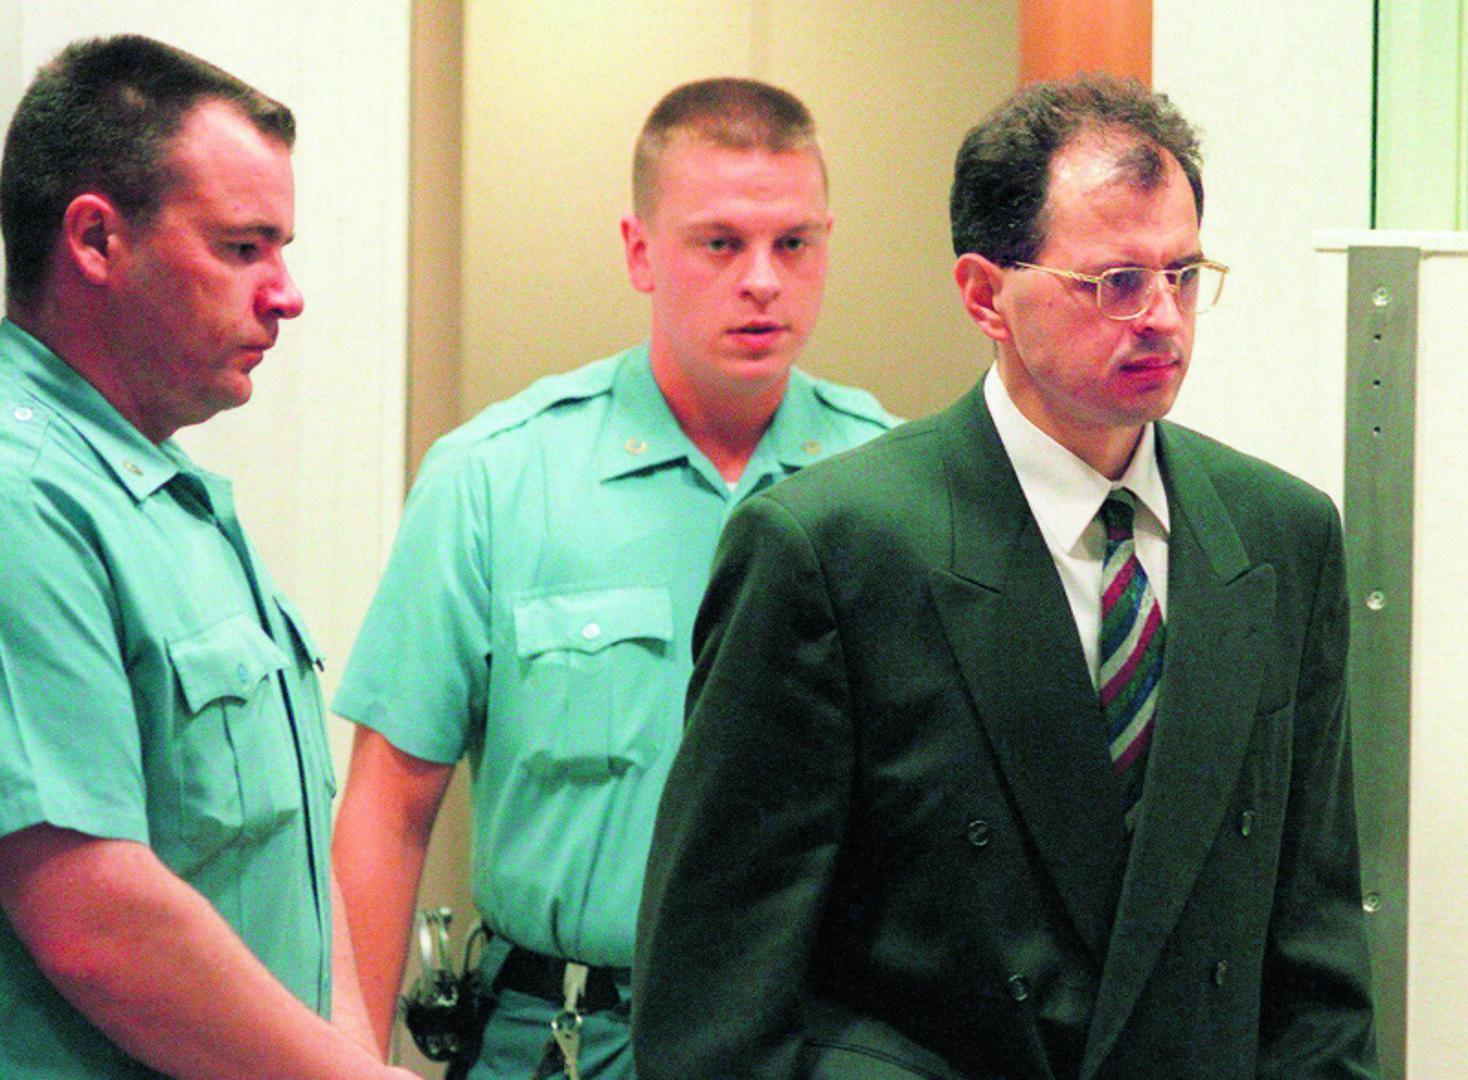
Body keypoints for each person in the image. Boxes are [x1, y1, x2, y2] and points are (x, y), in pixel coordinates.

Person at [633, 74, 1380, 1079]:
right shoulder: (832, 548)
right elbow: (717, 994)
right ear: (985, 295)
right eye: (1115, 281)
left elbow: (1316, 964)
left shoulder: (1280, 535)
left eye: (1183, 274)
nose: (1161, 317)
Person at [330, 77, 895, 1078]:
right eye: (719, 243)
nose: (762, 280)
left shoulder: (889, 486)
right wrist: (344, 1060)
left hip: (812, 1040)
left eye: (793, 243)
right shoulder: (498, 478)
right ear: (640, 252)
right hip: (563, 1037)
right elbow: (390, 807)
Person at [0, 35, 415, 1080]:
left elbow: (284, 859)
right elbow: (94, 920)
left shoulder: (161, 492)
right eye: (242, 248)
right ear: (95, 240)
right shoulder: (22, 496)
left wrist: (355, 1058)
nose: (286, 294)